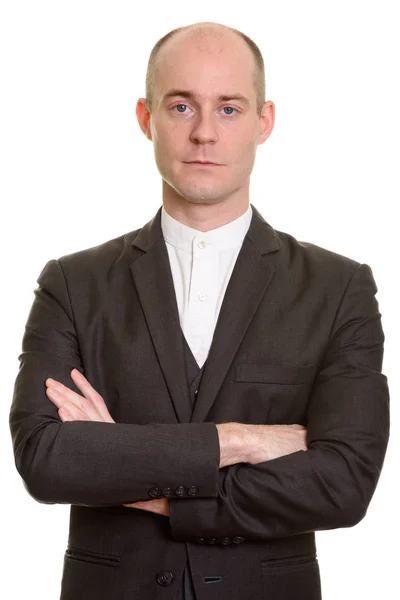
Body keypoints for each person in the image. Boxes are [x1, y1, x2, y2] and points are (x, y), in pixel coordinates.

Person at [9, 21, 389, 600]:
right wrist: (241, 440)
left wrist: (128, 466)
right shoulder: (72, 282)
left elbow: (343, 485)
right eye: (182, 105)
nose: (205, 133)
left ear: (264, 122)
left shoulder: (339, 287)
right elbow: (47, 459)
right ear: (146, 118)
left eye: (230, 109)